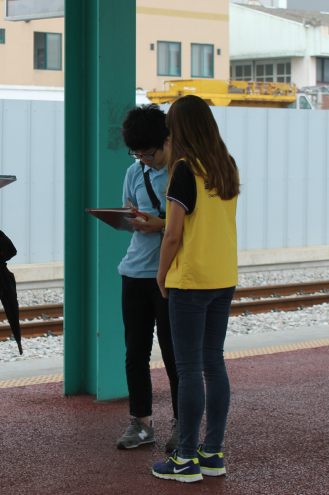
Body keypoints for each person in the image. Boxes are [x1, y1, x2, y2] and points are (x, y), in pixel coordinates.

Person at [151, 95, 240, 483]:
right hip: (223, 276)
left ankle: (184, 459)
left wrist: (161, 273)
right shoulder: (225, 165)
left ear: (178, 129)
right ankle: (212, 452)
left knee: (187, 371)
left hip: (190, 279)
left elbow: (173, 233)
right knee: (213, 365)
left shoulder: (184, 169)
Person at [115, 104, 180, 453]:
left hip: (171, 275)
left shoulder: (183, 172)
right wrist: (132, 219)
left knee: (174, 354)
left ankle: (181, 424)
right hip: (134, 271)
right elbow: (129, 212)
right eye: (137, 153)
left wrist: (161, 224)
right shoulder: (134, 171)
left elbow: (193, 225)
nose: (143, 159)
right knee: (135, 353)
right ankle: (141, 423)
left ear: (167, 141)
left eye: (149, 152)